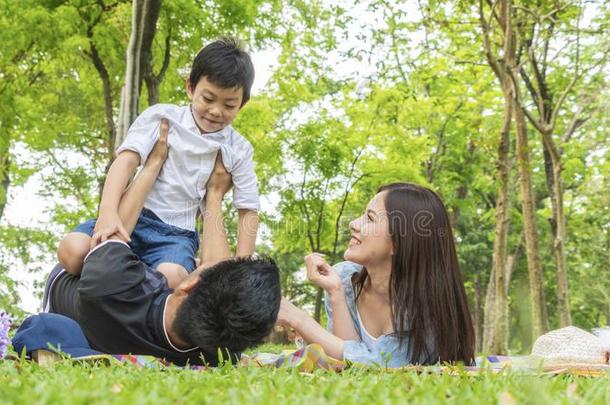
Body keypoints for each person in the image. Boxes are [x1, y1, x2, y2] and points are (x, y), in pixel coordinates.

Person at [43, 122, 280, 366]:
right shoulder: (215, 354)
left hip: (80, 280)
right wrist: (215, 193)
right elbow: (215, 268)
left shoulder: (111, 281)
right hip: (135, 295)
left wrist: (152, 165)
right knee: (175, 274)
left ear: (189, 285)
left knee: (87, 250)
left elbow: (115, 226)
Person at [57, 37, 260, 288]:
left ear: (242, 104)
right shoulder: (162, 117)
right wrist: (108, 213)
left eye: (229, 105)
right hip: (134, 215)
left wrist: (243, 264)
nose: (216, 111)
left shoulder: (238, 149)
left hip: (176, 236)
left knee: (172, 278)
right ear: (190, 88)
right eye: (208, 99)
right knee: (73, 251)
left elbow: (248, 210)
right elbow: (125, 162)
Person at [277, 183, 475, 367]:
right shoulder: (344, 278)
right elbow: (347, 361)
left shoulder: (427, 310)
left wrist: (299, 319)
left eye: (370, 218)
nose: (353, 224)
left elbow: (378, 364)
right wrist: (336, 292)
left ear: (399, 242)